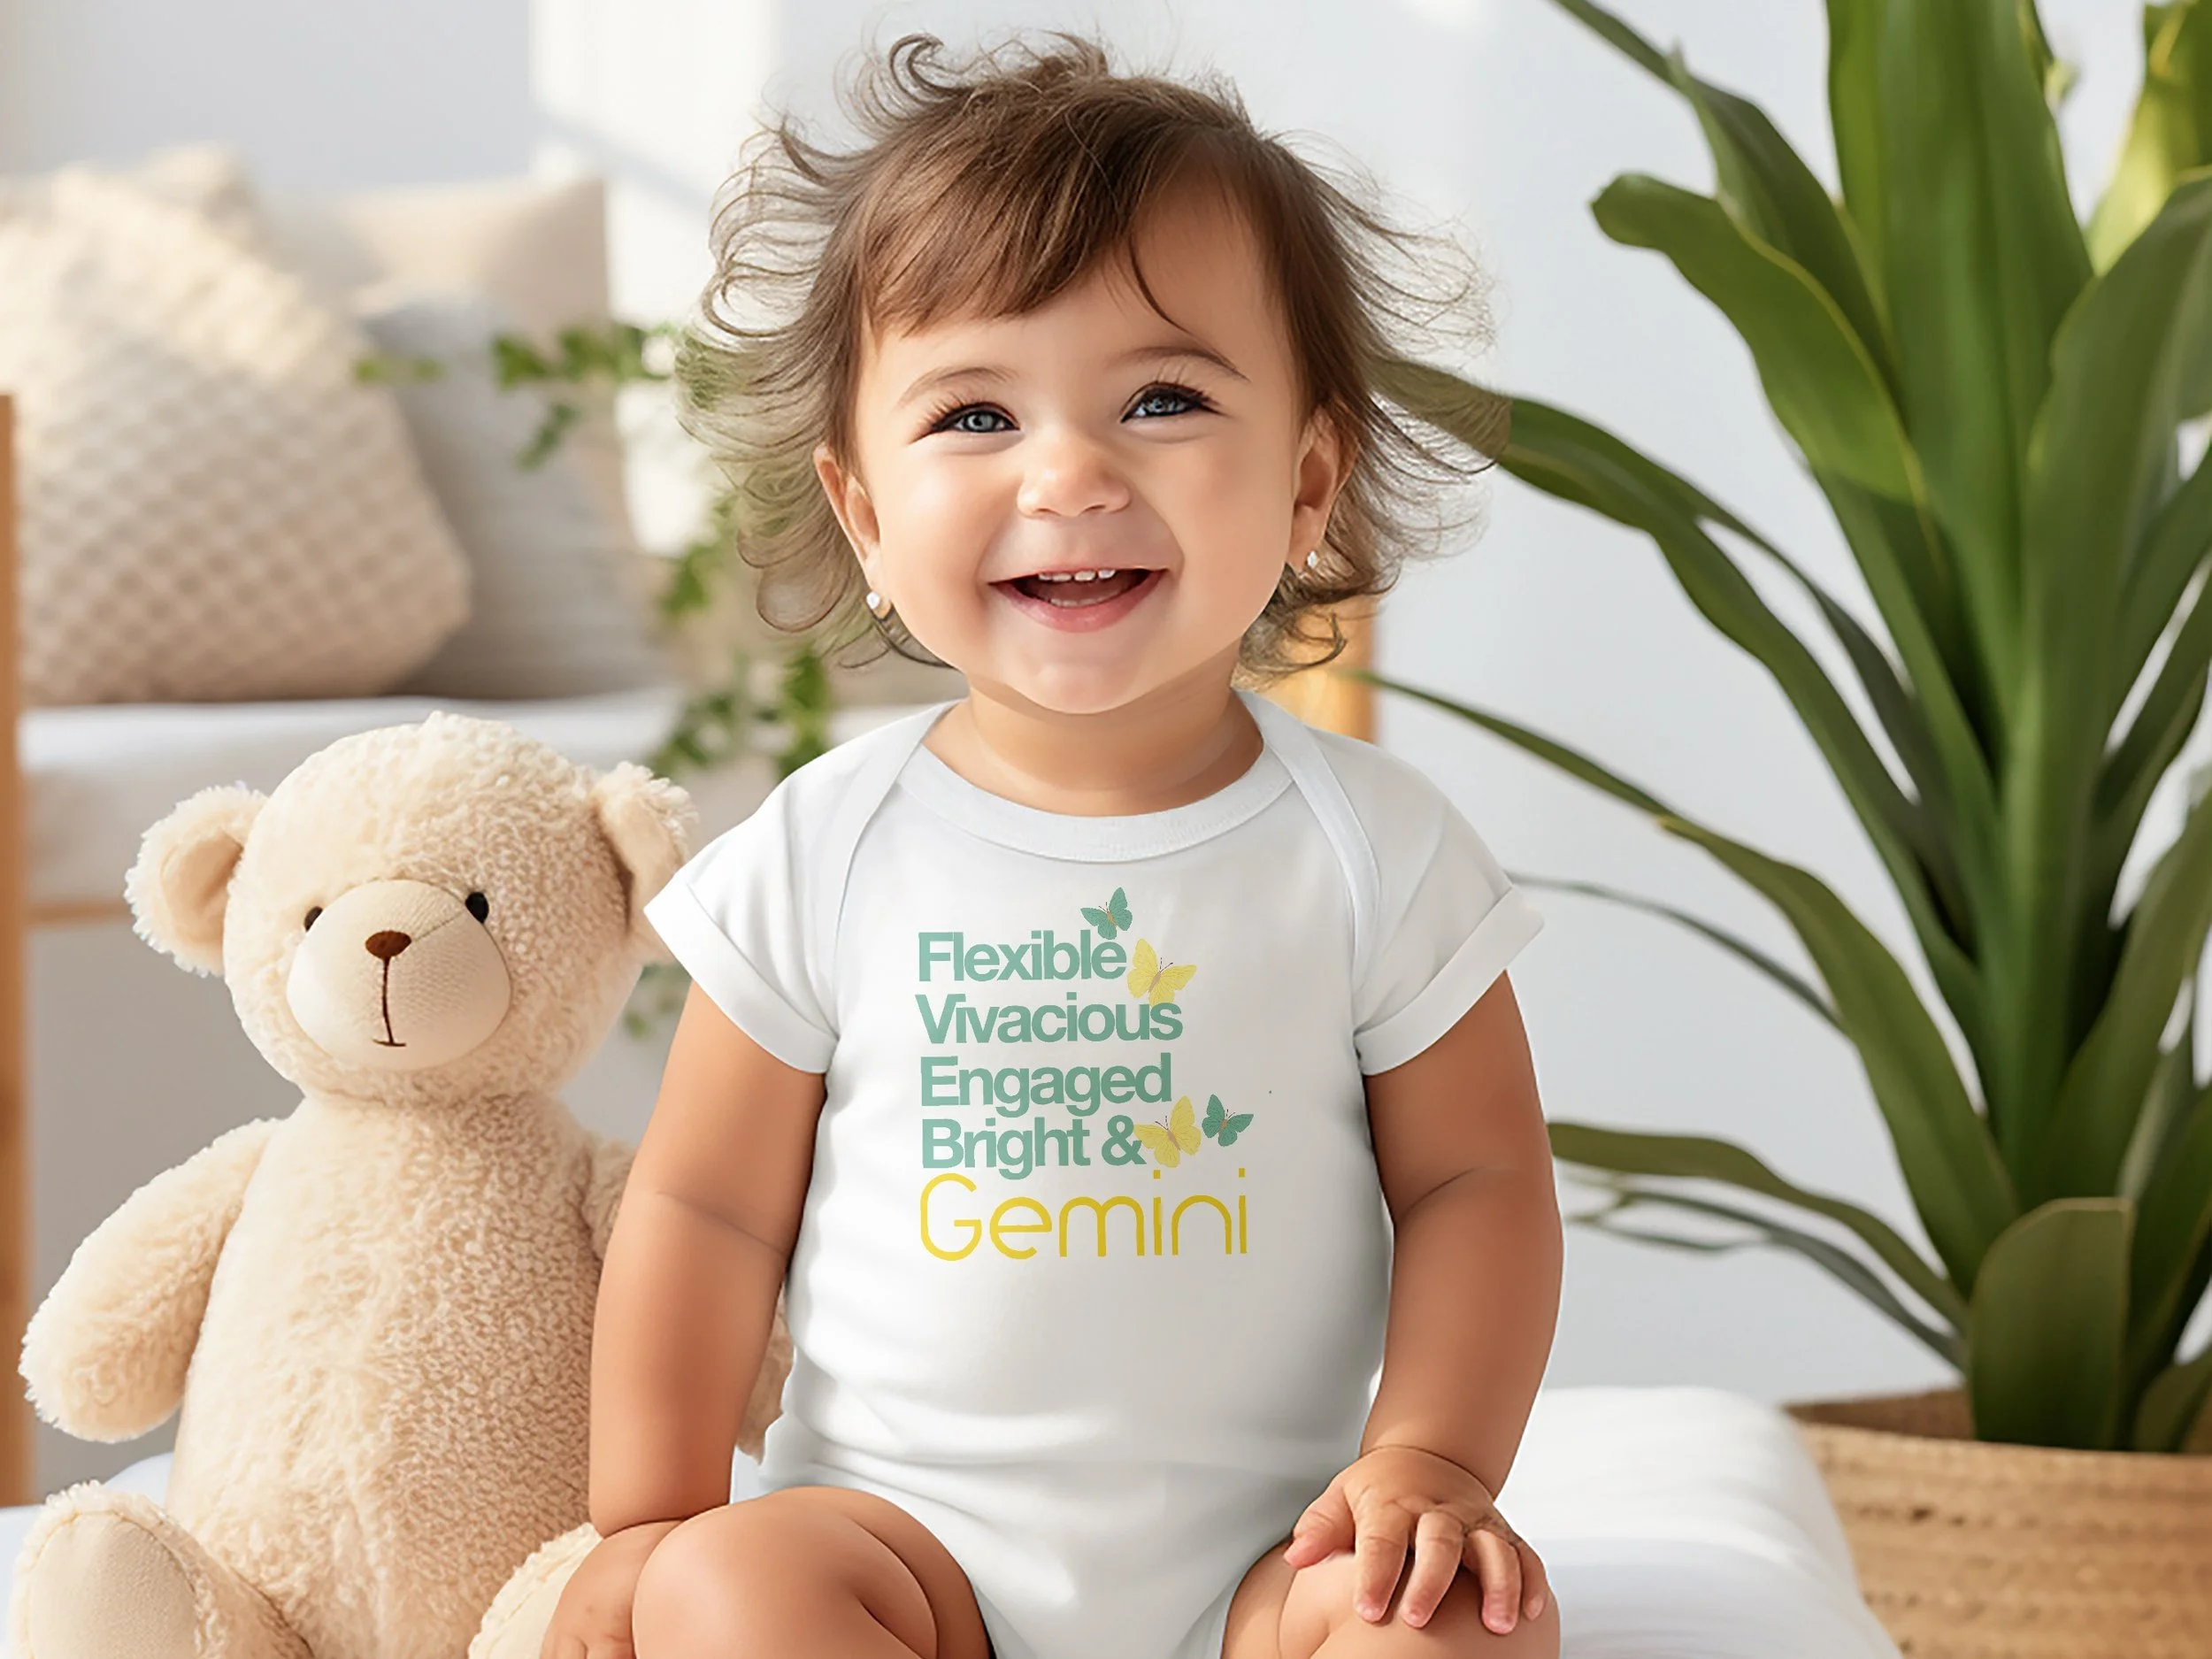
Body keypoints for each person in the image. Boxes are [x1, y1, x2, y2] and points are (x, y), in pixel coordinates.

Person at [543, 27, 1563, 1659]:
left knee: (1454, 1631)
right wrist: (649, 1519)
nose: (1071, 470)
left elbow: (1477, 1179)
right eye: (972, 415)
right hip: (900, 1555)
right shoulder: (830, 844)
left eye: (1162, 397)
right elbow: (706, 1210)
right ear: (866, 513)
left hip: (1263, 1561)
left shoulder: (1373, 845)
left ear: (1308, 485)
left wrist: (1430, 1457)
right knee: (732, 1590)